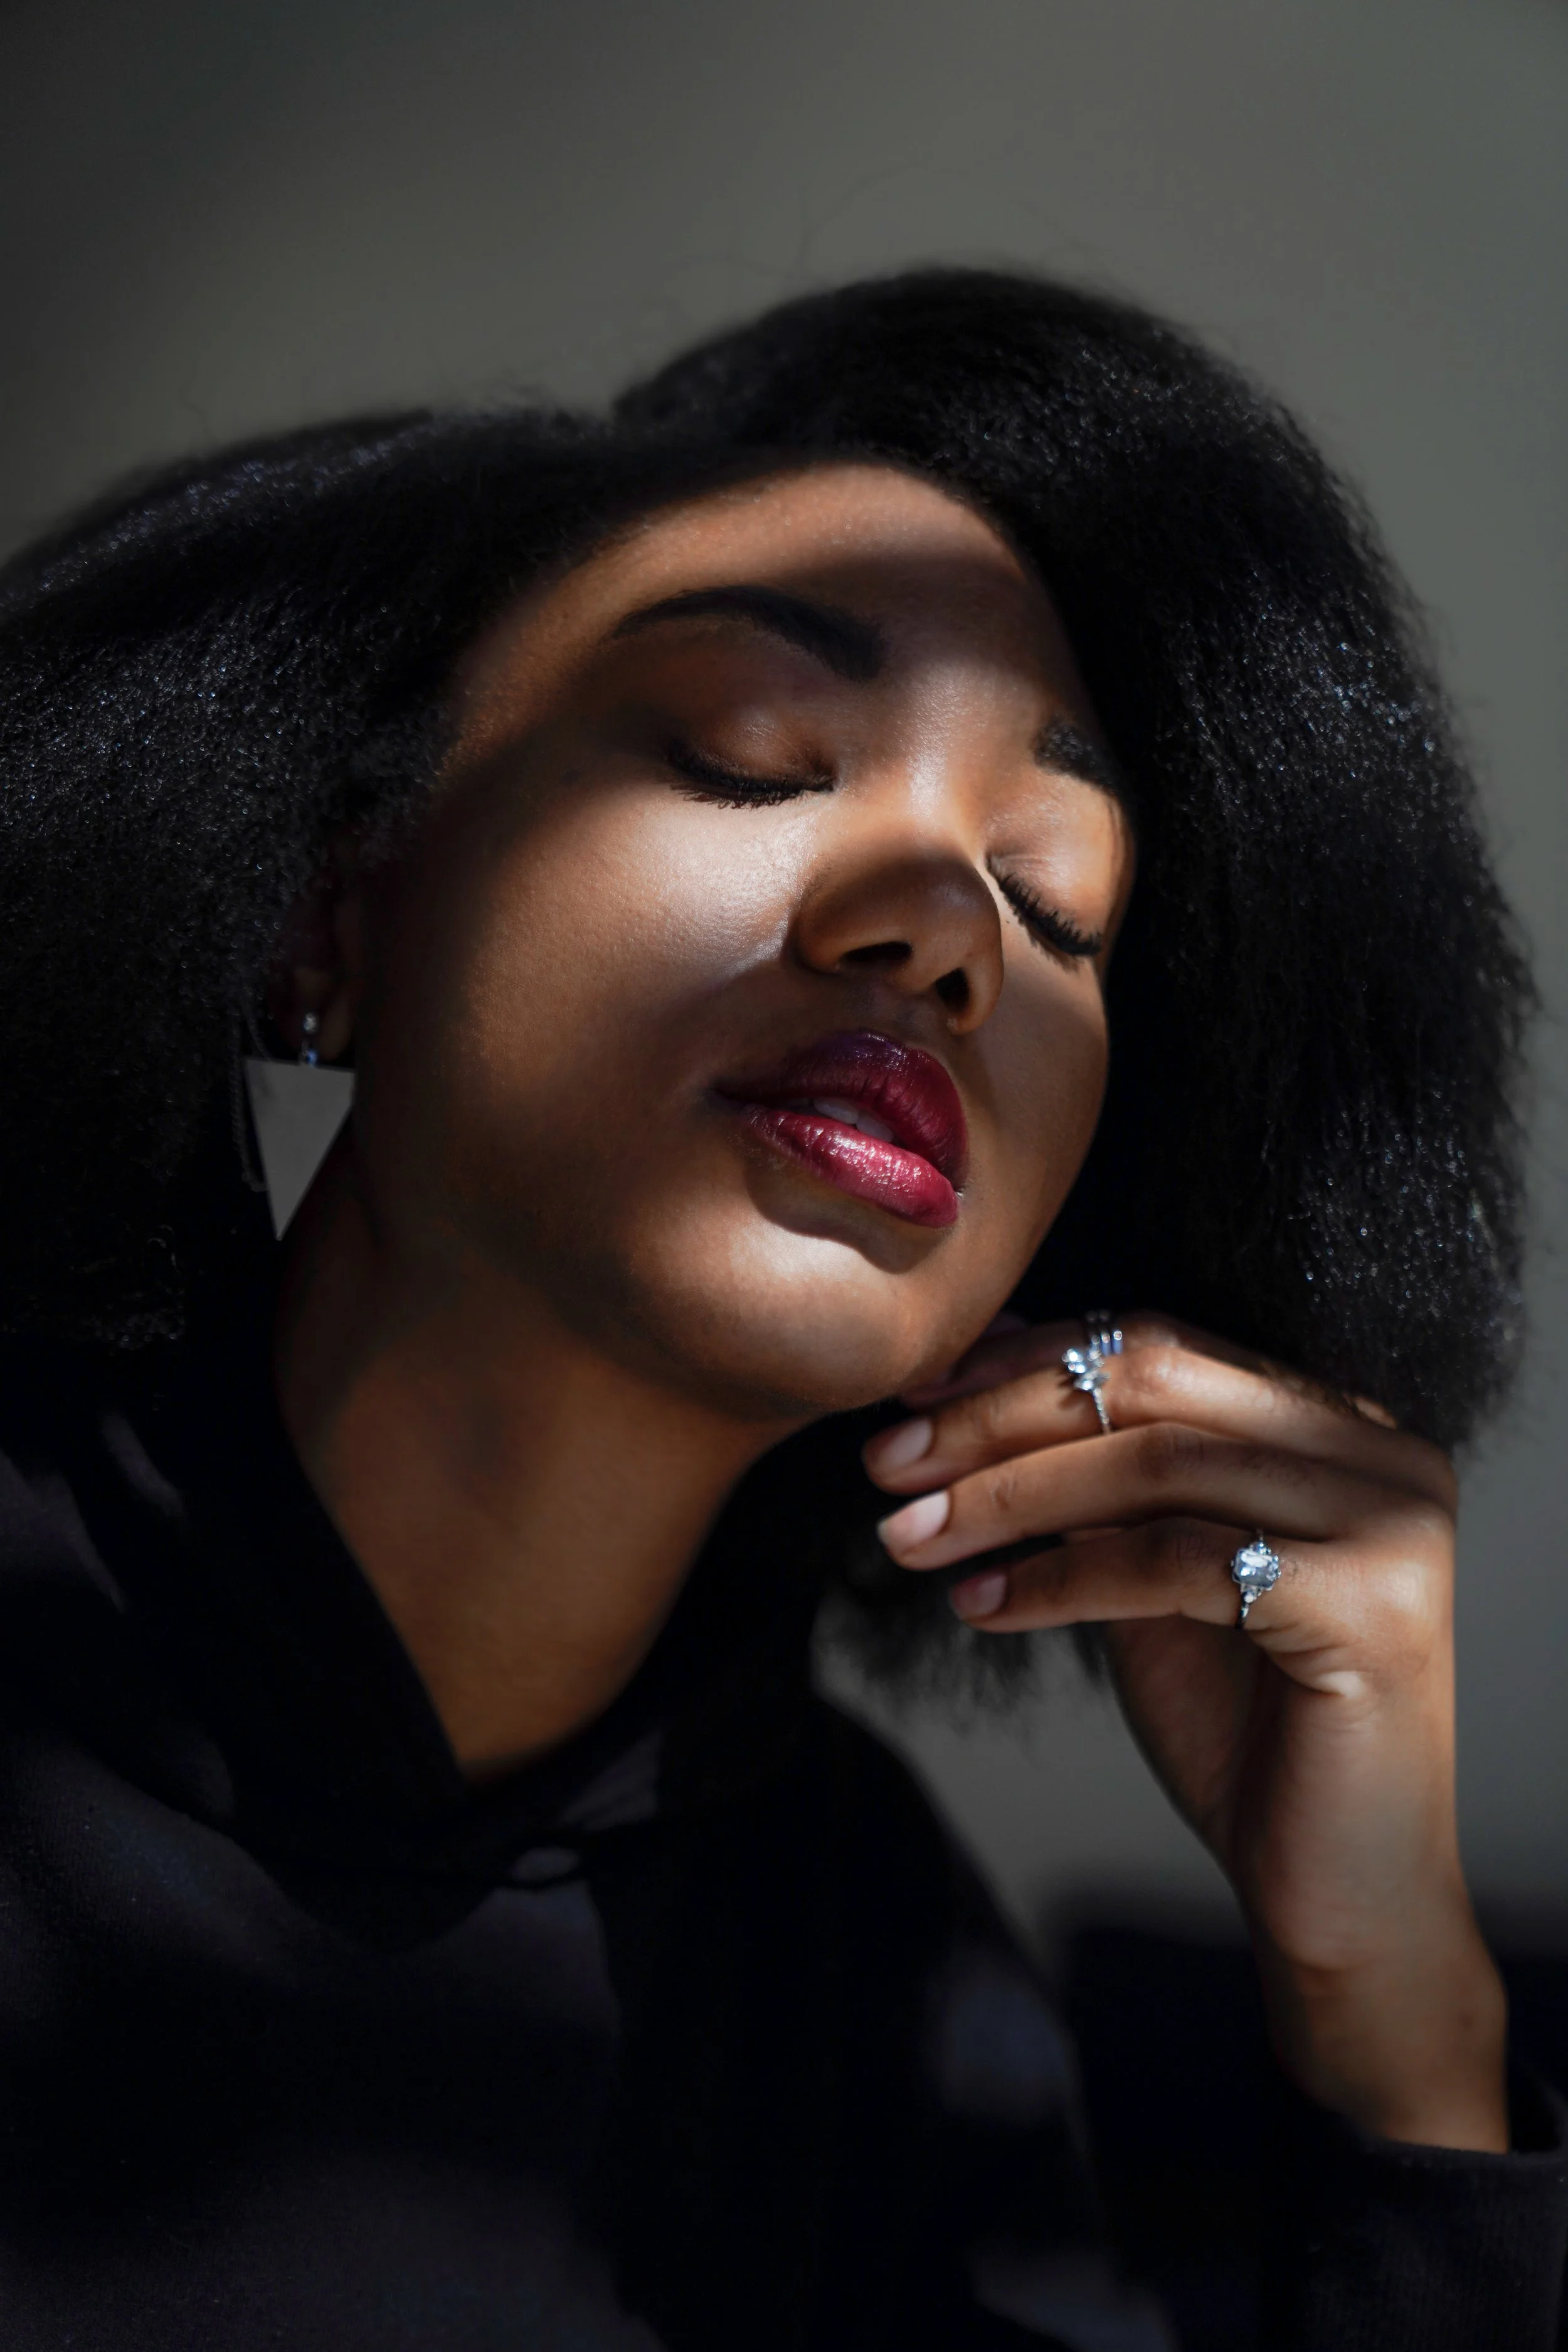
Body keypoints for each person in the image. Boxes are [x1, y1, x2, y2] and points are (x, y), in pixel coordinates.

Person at [0, 268, 1561, 2351]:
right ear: (327, 914)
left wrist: (1389, 1998)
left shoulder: (883, 1991)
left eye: (1058, 901)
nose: (942, 930)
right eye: (753, 751)